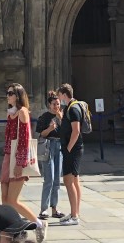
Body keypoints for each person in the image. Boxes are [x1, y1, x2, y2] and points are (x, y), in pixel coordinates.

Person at [1, 85, 45, 241]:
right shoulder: (11, 113)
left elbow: (25, 139)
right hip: (8, 157)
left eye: (11, 93)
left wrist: (20, 162)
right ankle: (15, 231)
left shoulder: (22, 112)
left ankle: (39, 223)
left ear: (18, 96)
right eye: (7, 93)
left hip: (18, 158)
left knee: (13, 200)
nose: (8, 95)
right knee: (5, 201)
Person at [57, 83, 83, 226]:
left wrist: (68, 148)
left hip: (72, 150)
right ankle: (75, 212)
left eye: (59, 95)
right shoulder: (72, 106)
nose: (58, 97)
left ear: (64, 94)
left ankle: (74, 216)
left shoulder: (73, 108)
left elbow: (76, 130)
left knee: (68, 181)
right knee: (75, 181)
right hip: (74, 149)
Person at [37, 92, 64, 217]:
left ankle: (54, 208)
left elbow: (67, 132)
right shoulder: (44, 117)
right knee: (49, 178)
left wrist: (61, 119)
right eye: (54, 104)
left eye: (58, 104)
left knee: (57, 179)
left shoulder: (62, 116)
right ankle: (44, 209)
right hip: (48, 146)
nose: (56, 106)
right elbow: (41, 134)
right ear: (49, 105)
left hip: (59, 147)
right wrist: (50, 129)